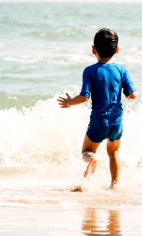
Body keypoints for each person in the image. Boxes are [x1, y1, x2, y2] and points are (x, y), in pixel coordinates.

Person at [57, 28, 137, 190]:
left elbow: (85, 96)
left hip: (98, 121)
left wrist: (69, 102)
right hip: (116, 121)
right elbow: (132, 95)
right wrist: (129, 95)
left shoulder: (90, 71)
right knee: (114, 152)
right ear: (117, 49)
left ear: (93, 49)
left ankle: (90, 167)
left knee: (86, 152)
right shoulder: (122, 70)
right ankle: (114, 186)